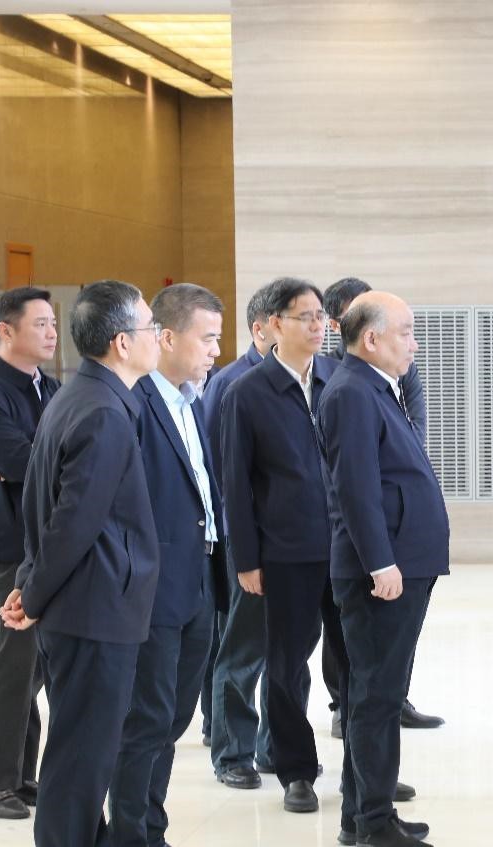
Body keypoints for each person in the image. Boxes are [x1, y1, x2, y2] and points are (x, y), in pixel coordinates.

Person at [0, 280, 162, 846]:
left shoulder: (79, 396)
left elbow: (38, 505)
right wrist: (32, 594)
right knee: (81, 760)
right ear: (122, 342)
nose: (158, 336)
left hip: (82, 605)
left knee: (82, 752)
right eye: (150, 327)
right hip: (93, 608)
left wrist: (30, 583)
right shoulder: (103, 412)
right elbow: (73, 523)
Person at [318, 291, 445, 847]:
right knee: (375, 699)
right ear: (371, 338)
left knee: (377, 694)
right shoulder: (352, 392)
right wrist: (381, 562)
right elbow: (356, 488)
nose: (414, 345)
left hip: (401, 565)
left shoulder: (373, 386)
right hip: (382, 573)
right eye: (406, 333)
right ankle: (373, 823)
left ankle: (362, 816)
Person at [218, 277, 346, 813]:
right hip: (286, 551)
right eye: (304, 316)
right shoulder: (247, 392)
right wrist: (246, 559)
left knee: (355, 662)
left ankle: (366, 773)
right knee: (286, 664)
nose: (318, 326)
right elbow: (235, 484)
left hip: (347, 548)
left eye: (321, 317)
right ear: (273, 324)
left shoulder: (339, 379)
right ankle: (296, 771)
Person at [107, 284, 229, 846]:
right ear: (167, 337)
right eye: (207, 339)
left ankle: (150, 825)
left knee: (176, 716)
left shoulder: (191, 400)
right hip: (153, 586)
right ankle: (132, 833)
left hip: (198, 578)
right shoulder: (135, 403)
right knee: (148, 719)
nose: (215, 351)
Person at [202, 281, 289, 788]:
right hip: (247, 540)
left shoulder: (305, 381)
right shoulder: (233, 384)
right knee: (242, 649)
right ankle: (232, 753)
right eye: (297, 319)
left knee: (286, 652)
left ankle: (274, 746)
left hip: (293, 543)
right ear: (263, 328)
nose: (315, 328)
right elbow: (220, 474)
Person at [0, 288, 59, 820]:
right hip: (9, 545)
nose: (52, 333)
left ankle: (21, 774)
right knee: (13, 664)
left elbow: (48, 460)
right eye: (40, 324)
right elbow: (18, 460)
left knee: (35, 665)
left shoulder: (48, 386)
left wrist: (39, 461)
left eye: (53, 323)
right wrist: (39, 461)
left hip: (47, 540)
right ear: (6, 331)